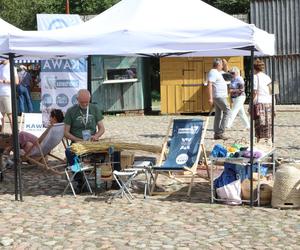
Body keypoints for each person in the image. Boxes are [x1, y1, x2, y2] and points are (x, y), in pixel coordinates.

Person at [64, 89, 106, 192]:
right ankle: (79, 180)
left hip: (92, 142)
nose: (84, 104)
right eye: (82, 102)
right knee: (69, 152)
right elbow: (66, 133)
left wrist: (96, 136)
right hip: (77, 143)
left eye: (87, 102)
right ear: (77, 99)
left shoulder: (94, 109)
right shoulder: (71, 111)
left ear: (89, 99)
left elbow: (102, 129)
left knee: (113, 150)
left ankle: (114, 180)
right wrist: (78, 140)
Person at [207, 58, 231, 140]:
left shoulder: (219, 72)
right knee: (227, 111)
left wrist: (226, 64)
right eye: (221, 64)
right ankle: (221, 132)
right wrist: (210, 98)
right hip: (219, 96)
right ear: (218, 65)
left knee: (218, 114)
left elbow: (227, 76)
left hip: (220, 96)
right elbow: (209, 84)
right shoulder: (213, 72)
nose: (222, 66)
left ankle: (217, 133)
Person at [252, 59, 273, 143]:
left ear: (254, 68)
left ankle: (258, 141)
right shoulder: (267, 77)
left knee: (259, 124)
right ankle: (269, 140)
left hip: (259, 102)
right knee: (268, 123)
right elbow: (271, 90)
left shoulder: (255, 77)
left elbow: (255, 91)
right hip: (268, 102)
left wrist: (251, 103)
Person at [0, 59, 19, 132]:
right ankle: (1, 133)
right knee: (1, 116)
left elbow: (17, 81)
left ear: (8, 58)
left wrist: (4, 81)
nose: (1, 59)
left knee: (10, 115)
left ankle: (15, 135)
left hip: (7, 94)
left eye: (2, 57)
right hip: (0, 94)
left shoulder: (12, 68)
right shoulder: (0, 66)